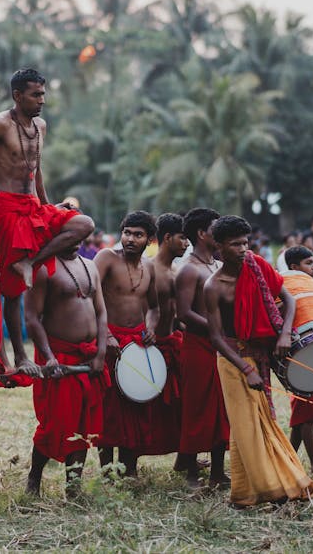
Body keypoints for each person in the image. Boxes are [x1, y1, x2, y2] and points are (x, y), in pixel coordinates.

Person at [0, 68, 94, 379]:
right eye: (36, 95)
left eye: (43, 94)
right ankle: (19, 356)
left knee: (83, 224)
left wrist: (48, 206)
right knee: (11, 290)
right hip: (8, 209)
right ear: (17, 96)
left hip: (34, 207)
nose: (42, 100)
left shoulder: (41, 126)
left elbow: (37, 169)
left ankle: (30, 262)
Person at [202, 215, 313, 507]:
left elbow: (289, 300)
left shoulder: (257, 266)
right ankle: (272, 489)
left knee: (259, 421)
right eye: (235, 244)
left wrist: (285, 334)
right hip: (231, 361)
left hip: (260, 354)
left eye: (245, 243)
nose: (243, 249)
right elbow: (215, 337)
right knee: (246, 425)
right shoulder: (213, 286)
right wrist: (245, 369)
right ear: (219, 246)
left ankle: (244, 492)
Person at [24, 237, 109, 496]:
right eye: (69, 235)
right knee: (55, 424)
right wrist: (49, 356)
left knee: (83, 423)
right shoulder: (43, 268)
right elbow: (32, 317)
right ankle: (34, 478)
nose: (76, 240)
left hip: (88, 356)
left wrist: (101, 352)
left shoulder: (90, 265)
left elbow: (101, 312)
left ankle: (73, 486)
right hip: (59, 358)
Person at [95, 211, 160, 476]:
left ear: (149, 239)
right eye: (127, 233)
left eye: (138, 235)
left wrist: (151, 328)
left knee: (136, 405)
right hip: (109, 342)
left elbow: (153, 308)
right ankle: (107, 473)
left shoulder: (150, 267)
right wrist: (105, 334)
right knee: (109, 409)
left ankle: (129, 470)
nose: (131, 239)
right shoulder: (106, 258)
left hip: (136, 343)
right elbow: (90, 297)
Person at [173, 208, 230, 488]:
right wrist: (216, 328)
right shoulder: (189, 269)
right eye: (215, 228)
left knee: (222, 408)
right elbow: (184, 313)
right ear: (201, 233)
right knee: (196, 408)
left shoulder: (218, 265)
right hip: (197, 346)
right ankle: (192, 472)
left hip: (221, 346)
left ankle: (218, 471)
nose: (220, 234)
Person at [281, 246, 313, 476]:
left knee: (303, 415)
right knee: (306, 413)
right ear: (294, 267)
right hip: (301, 358)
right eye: (308, 263)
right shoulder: (287, 290)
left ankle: (288, 461)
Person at [149, 213, 188, 458]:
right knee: (146, 405)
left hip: (175, 341)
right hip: (152, 343)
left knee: (181, 403)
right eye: (182, 238)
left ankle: (184, 457)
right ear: (167, 238)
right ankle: (129, 464)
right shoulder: (149, 269)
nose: (186, 243)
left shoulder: (177, 270)